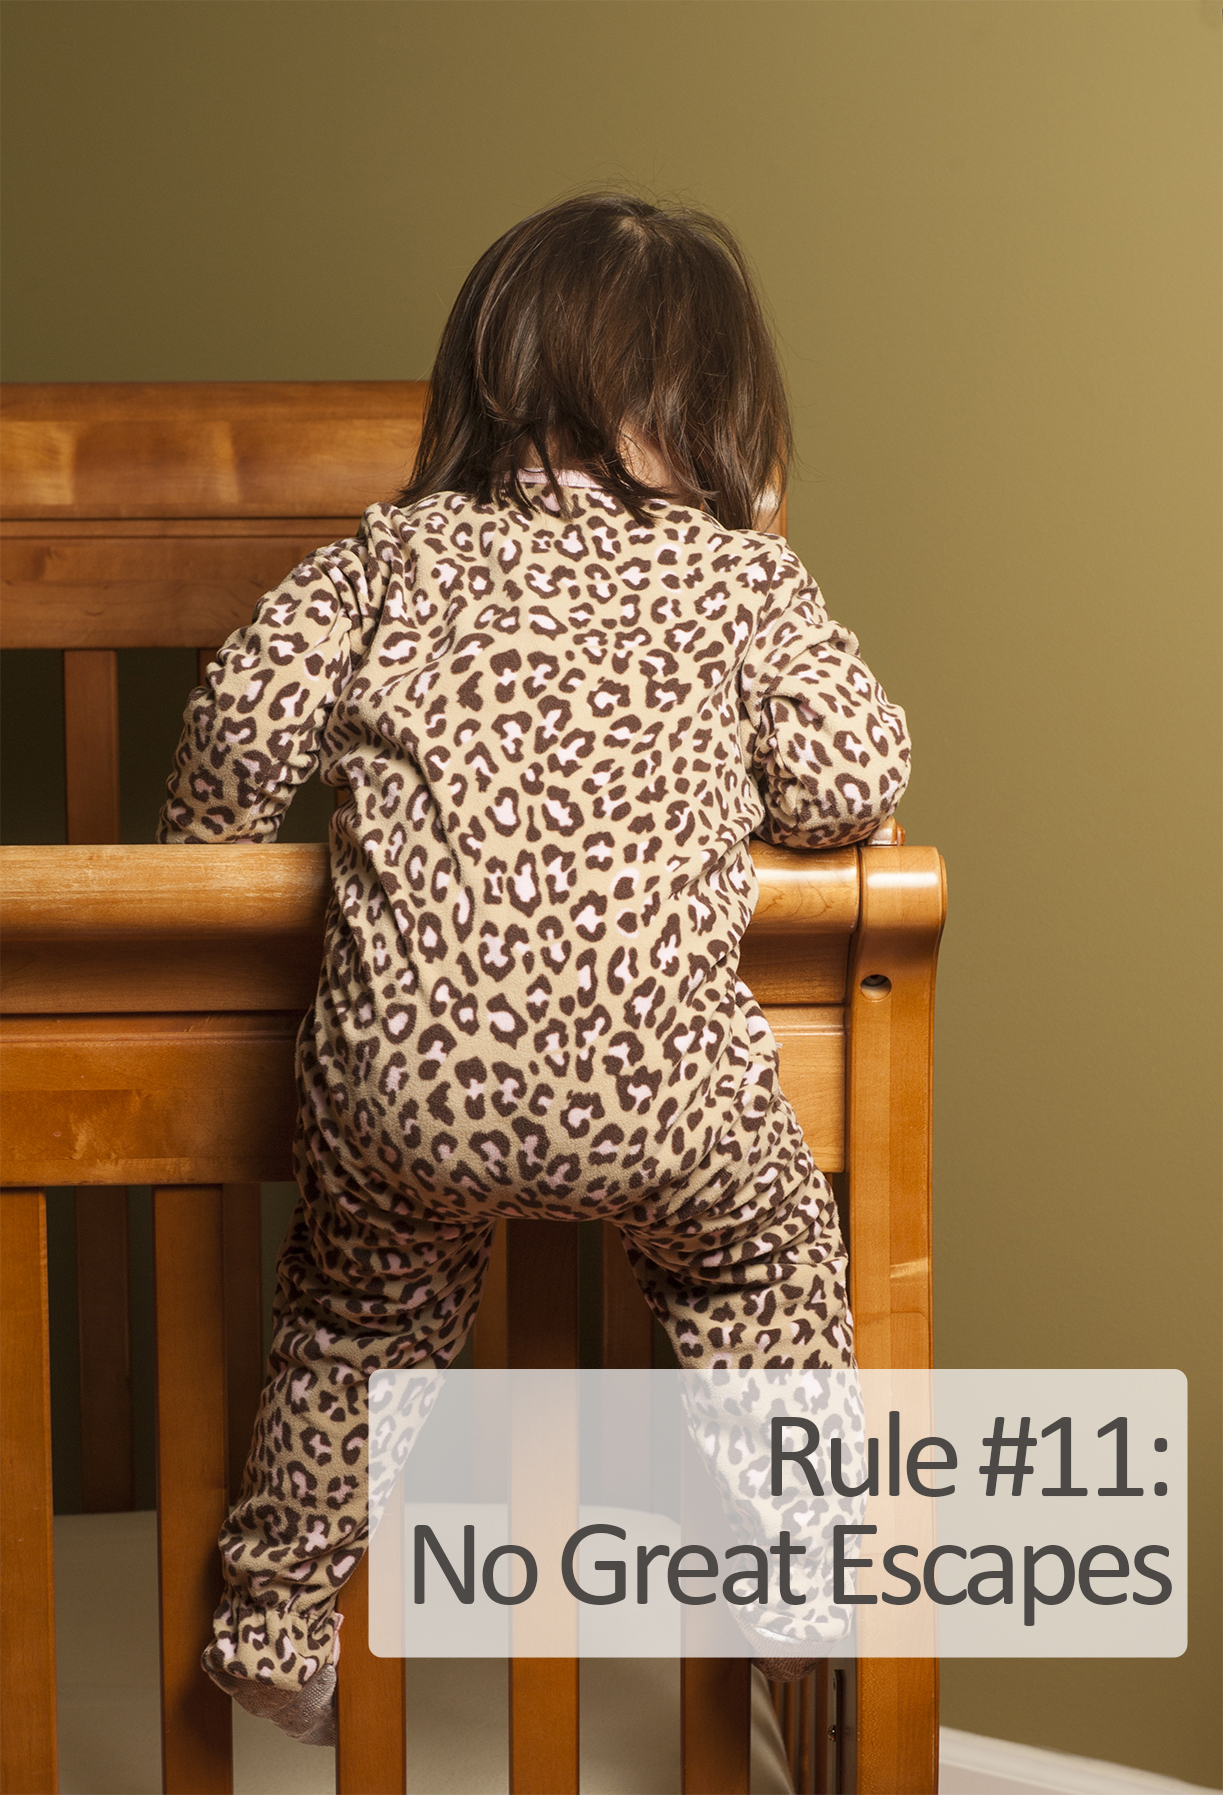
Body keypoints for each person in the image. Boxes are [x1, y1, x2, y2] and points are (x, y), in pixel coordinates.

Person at [157, 191, 910, 1744]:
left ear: (482, 391)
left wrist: (200, 864)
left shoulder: (393, 556)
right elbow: (850, 773)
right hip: (663, 1094)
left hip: (401, 1094)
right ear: (719, 418)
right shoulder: (739, 578)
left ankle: (275, 1621)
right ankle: (801, 1597)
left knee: (353, 1322)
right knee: (758, 1267)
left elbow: (236, 724)